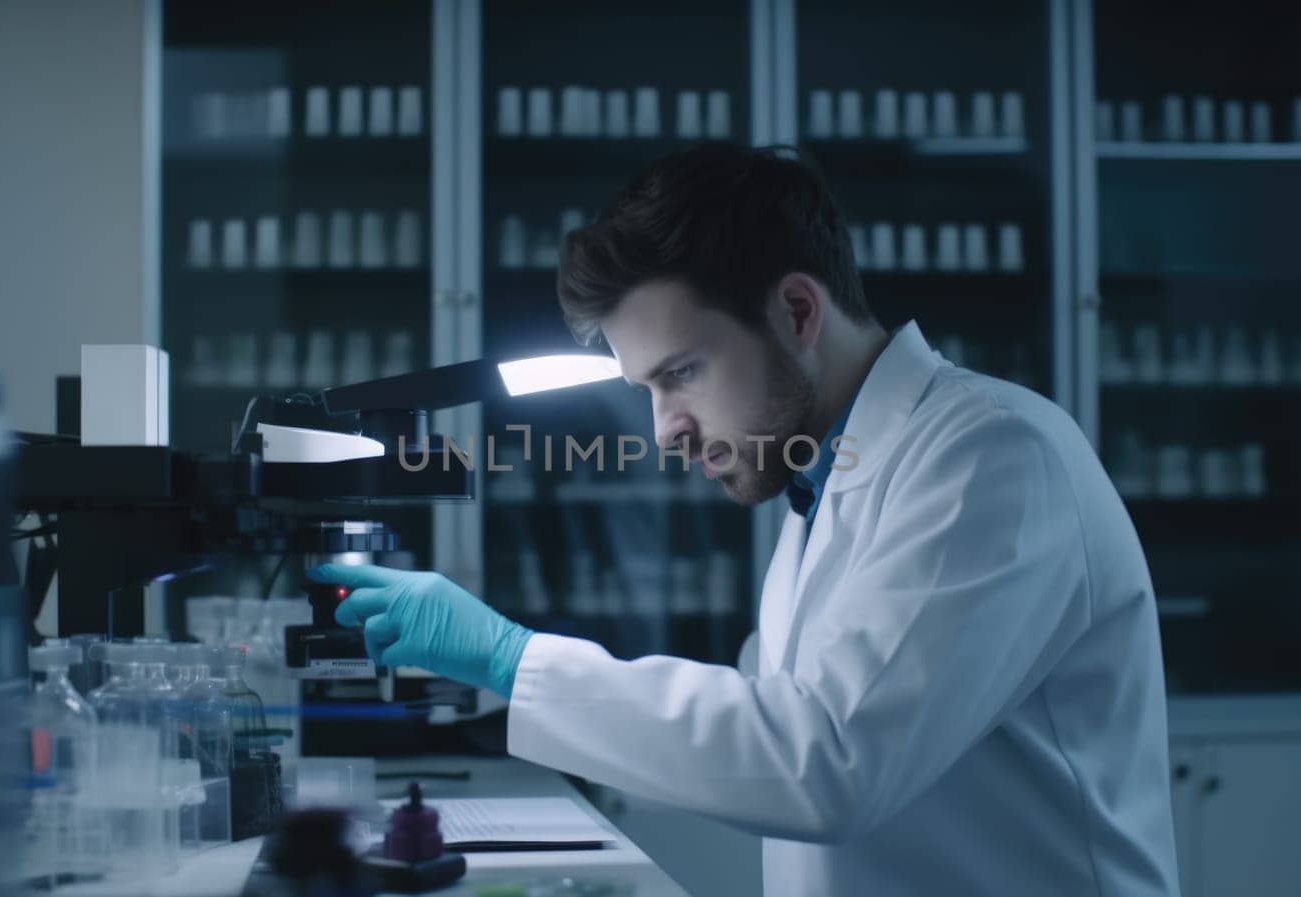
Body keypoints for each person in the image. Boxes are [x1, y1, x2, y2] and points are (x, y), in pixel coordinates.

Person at [309, 144, 1180, 896]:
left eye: (681, 372)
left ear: (797, 313)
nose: (663, 429)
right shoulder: (823, 480)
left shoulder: (992, 458)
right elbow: (758, 735)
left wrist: (511, 656)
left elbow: (823, 763)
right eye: (644, 388)